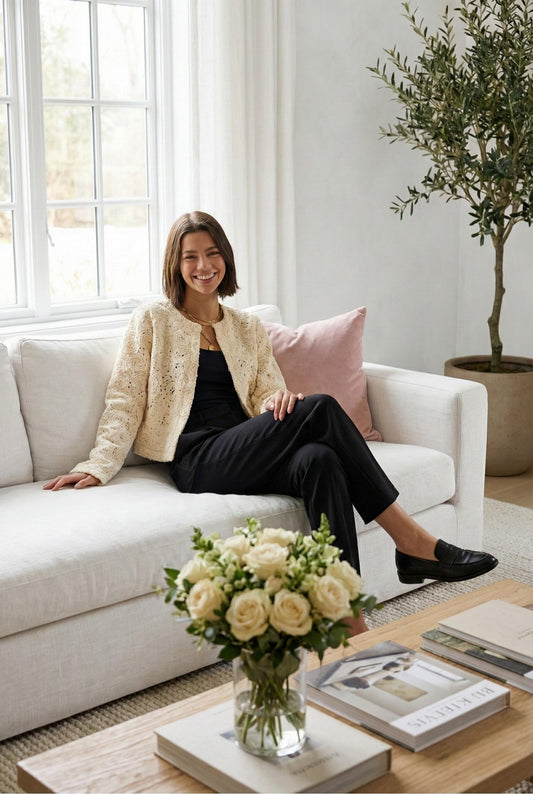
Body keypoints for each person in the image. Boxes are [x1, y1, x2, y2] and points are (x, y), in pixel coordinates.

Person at [44, 211, 498, 634]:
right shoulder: (154, 320)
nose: (203, 265)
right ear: (175, 265)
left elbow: (267, 394)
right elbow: (124, 396)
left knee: (320, 459)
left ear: (225, 257)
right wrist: (98, 464)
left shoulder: (246, 327)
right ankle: (411, 541)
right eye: (191, 257)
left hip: (246, 445)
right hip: (198, 458)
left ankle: (345, 614)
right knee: (319, 408)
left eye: (212, 253)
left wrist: (276, 400)